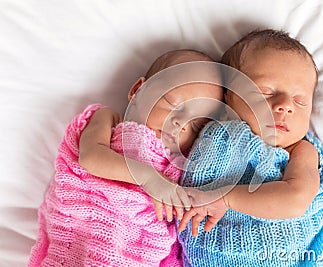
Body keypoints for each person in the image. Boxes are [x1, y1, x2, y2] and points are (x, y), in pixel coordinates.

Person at [28, 49, 224, 267]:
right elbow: (91, 157)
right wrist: (149, 178)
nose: (181, 123)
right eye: (173, 103)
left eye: (196, 124)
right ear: (137, 90)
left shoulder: (183, 165)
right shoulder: (108, 119)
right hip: (84, 234)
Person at [177, 29, 323, 266]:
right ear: (228, 96)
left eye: (299, 101)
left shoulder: (300, 151)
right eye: (267, 92)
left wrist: (227, 199)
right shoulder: (211, 132)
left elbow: (296, 199)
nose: (285, 106)